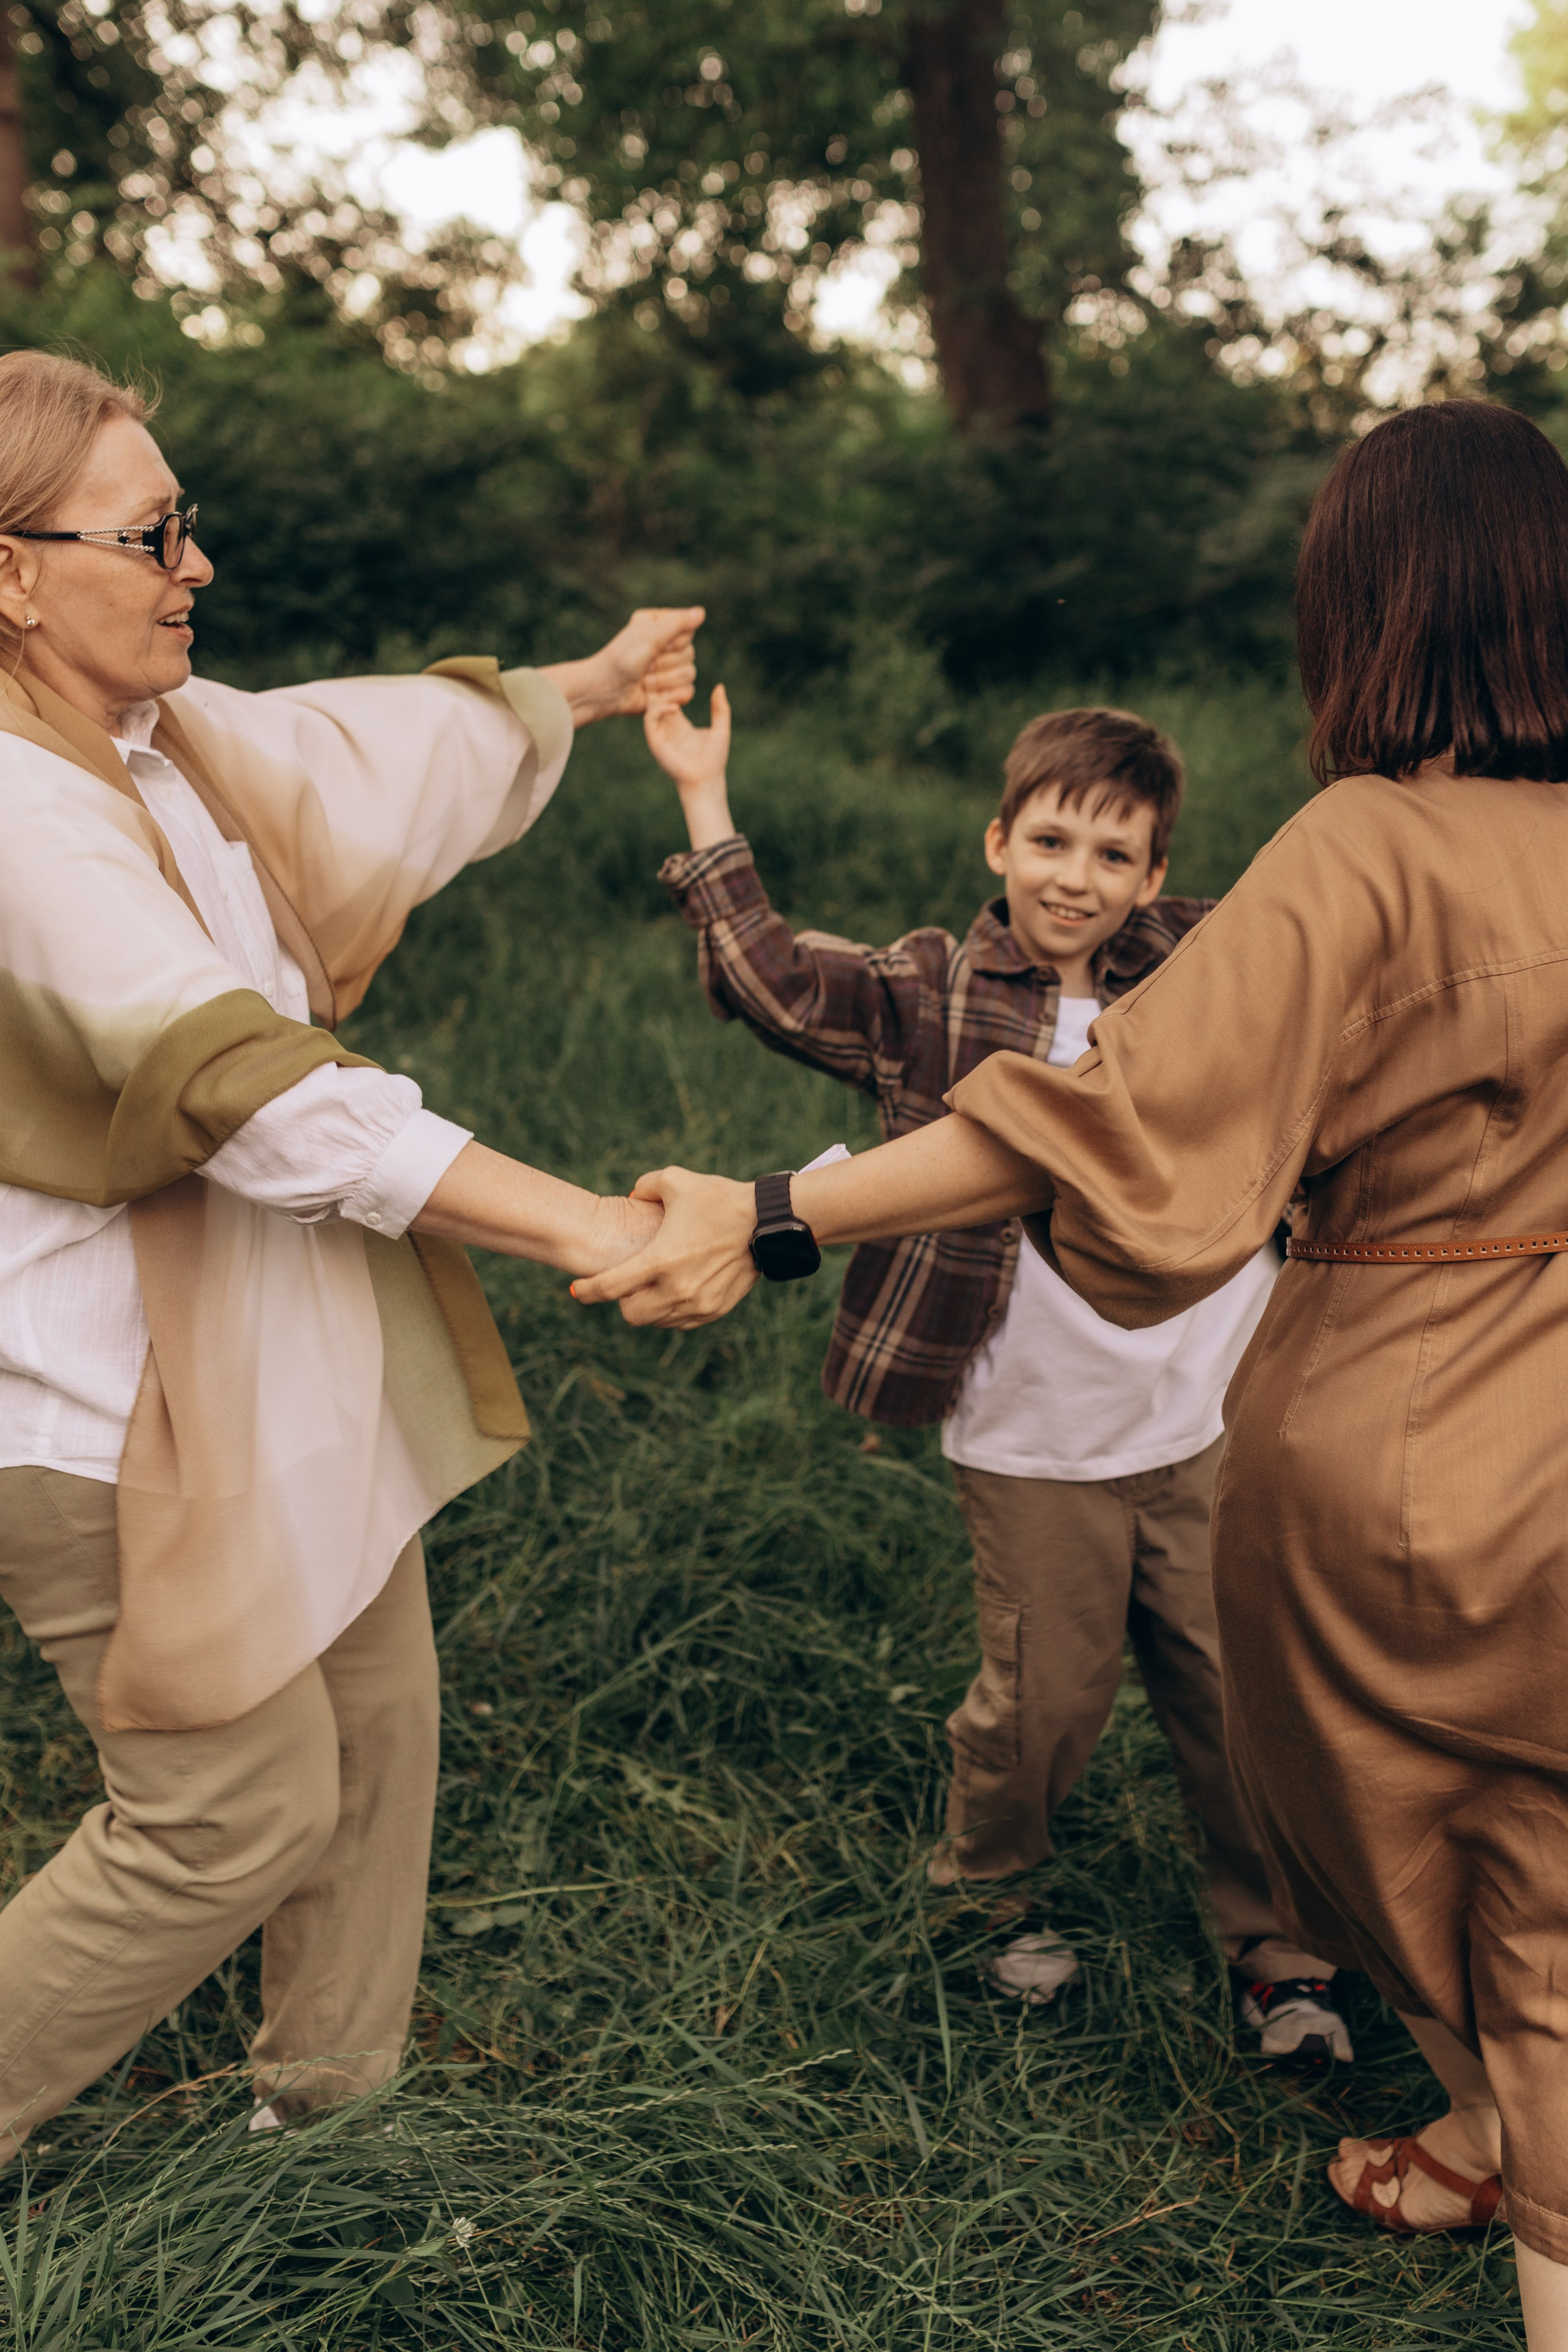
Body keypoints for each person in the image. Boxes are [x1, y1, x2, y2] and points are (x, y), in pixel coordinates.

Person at [579, 398, 1568, 2346]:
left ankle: (1525, 2178)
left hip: (1417, 1432)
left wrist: (774, 1210)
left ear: (1364, 600)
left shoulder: (1365, 852)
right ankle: (1475, 2126)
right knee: (1541, 1818)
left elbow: (1103, 1123)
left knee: (1426, 1826)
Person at [0, 348, 696, 2160]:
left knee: (379, 1728)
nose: (194, 568)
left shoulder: (174, 743)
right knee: (228, 1813)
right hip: (93, 1416)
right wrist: (583, 1224)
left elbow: (372, 747)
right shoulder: (18, 812)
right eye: (151, 535)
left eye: (190, 526)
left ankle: (324, 2129)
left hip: (266, 1360)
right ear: (9, 573)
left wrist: (589, 688)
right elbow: (253, 1093)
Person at [645, 687, 1349, 2054]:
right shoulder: (931, 990)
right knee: (1042, 1700)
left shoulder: (1204, 974)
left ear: (1154, 876)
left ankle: (1282, 1947)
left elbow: (1335, 967)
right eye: (1048, 843)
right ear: (994, 845)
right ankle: (988, 1897)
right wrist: (701, 794)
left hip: (1211, 1419)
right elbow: (773, 980)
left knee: (1236, 1695)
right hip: (1033, 1439)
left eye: (1108, 856)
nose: (1071, 880)